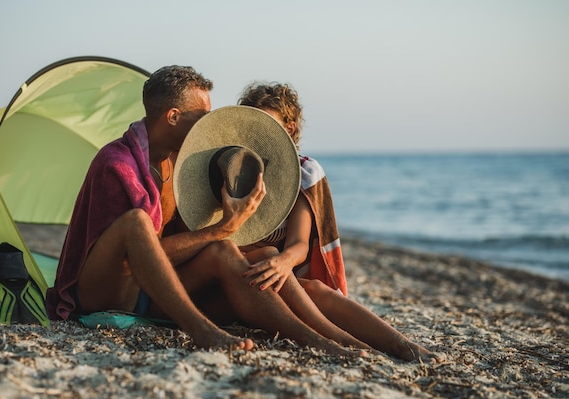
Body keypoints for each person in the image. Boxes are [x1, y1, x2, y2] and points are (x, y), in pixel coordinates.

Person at [46, 66, 365, 357]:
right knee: (138, 222)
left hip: (151, 290)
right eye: (201, 116)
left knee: (250, 253)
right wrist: (219, 229)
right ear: (172, 116)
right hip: (105, 292)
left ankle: (330, 341)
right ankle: (201, 329)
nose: (209, 125)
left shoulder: (177, 164)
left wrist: (227, 226)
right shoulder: (118, 165)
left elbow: (177, 248)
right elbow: (136, 258)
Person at [237, 82, 435, 361]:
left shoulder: (302, 171)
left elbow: (298, 244)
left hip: (273, 272)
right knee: (282, 272)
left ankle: (402, 345)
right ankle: (355, 344)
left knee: (316, 290)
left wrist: (283, 262)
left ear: (290, 127)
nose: (259, 132)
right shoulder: (233, 165)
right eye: (253, 123)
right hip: (237, 270)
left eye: (268, 123)